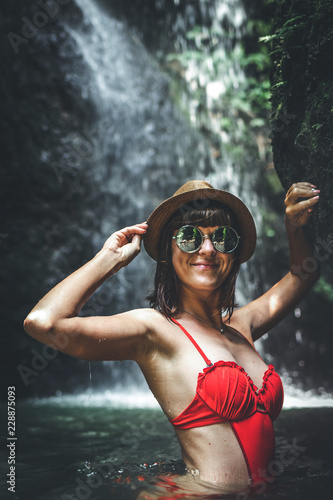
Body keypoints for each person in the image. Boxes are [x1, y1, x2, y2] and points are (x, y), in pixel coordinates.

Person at [24, 180, 320, 494]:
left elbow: (304, 273)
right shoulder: (154, 330)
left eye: (222, 237)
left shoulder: (242, 324)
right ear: (169, 250)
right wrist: (108, 260)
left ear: (234, 254)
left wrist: (294, 227)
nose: (208, 249)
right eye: (190, 236)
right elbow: (43, 323)